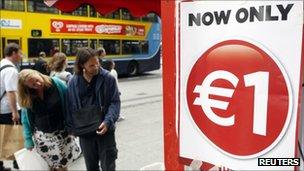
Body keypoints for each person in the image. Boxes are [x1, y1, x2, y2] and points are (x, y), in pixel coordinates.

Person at [66, 47, 120, 171]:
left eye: (97, 63)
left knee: (108, 166)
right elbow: (70, 106)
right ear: (81, 65)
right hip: (85, 133)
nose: (96, 67)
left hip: (105, 131)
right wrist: (71, 129)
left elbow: (115, 102)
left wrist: (108, 121)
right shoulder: (73, 82)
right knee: (91, 167)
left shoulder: (108, 78)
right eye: (91, 65)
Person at [18, 69, 81, 171]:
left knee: (62, 166)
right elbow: (25, 120)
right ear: (27, 87)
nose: (38, 84)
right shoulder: (27, 96)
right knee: (48, 166)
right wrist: (28, 139)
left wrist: (73, 126)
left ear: (38, 73)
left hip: (62, 134)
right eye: (33, 85)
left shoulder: (57, 84)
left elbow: (70, 105)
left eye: (37, 80)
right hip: (43, 137)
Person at [0, 43, 23, 170]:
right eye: (20, 53)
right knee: (15, 137)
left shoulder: (1, 64)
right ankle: (17, 162)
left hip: (2, 108)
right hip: (7, 109)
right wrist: (15, 112)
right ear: (13, 53)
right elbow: (11, 92)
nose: (21, 56)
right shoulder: (11, 70)